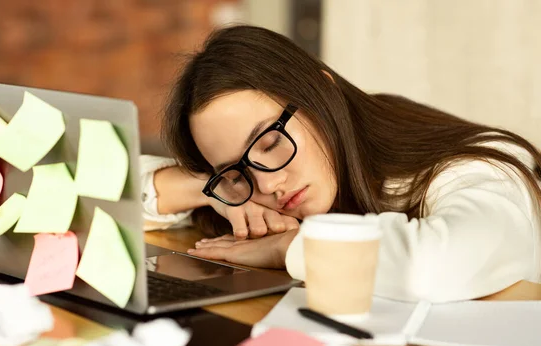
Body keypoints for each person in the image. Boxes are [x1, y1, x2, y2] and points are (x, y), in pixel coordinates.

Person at [139, 25, 541, 303]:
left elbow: (436, 265)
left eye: (271, 142)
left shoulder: (469, 167)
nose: (269, 185)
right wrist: (218, 192)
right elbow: (97, 187)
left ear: (322, 95)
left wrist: (287, 247)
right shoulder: (245, 188)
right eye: (237, 170)